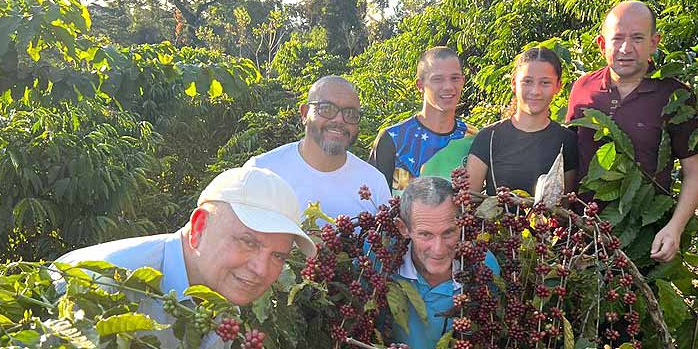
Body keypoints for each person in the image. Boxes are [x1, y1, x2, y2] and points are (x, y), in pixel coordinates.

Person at [55, 166, 316, 349]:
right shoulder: (97, 282)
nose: (261, 269)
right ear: (199, 227)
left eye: (278, 256)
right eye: (248, 242)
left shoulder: (222, 308)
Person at [566, 0, 698, 263]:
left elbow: (696, 171)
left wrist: (675, 227)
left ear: (654, 42)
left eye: (637, 38)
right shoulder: (583, 88)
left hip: (645, 239)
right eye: (617, 38)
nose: (626, 48)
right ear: (602, 44)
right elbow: (570, 160)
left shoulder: (675, 96)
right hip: (580, 237)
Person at [245, 75, 392, 221]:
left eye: (350, 114)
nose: (339, 120)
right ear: (304, 114)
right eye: (326, 109)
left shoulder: (374, 183)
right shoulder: (261, 171)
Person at [387, 176, 499, 349]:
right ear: (403, 228)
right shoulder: (382, 262)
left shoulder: (482, 266)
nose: (438, 249)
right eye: (425, 234)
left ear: (462, 224)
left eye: (448, 232)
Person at [466, 47, 579, 197]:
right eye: (527, 81)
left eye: (545, 83)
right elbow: (469, 201)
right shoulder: (488, 137)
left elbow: (566, 203)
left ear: (558, 86)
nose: (535, 91)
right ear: (514, 84)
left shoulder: (567, 141)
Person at [368, 47, 477, 194]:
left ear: (463, 81)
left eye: (455, 78)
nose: (448, 87)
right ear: (420, 85)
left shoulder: (474, 138)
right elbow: (371, 198)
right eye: (437, 79)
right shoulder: (393, 138)